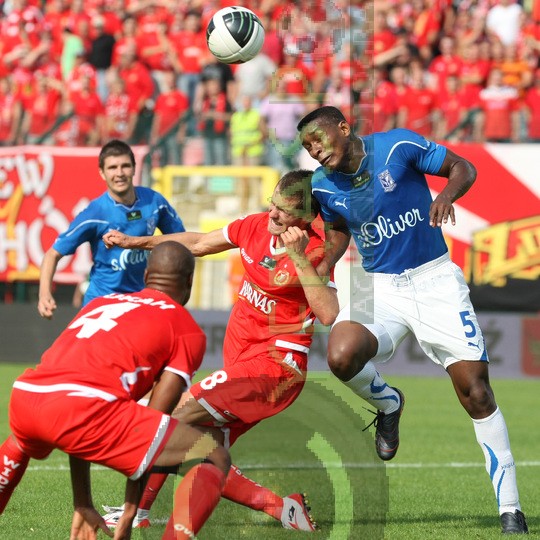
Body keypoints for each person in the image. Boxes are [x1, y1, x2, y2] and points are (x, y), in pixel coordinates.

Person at [296, 105, 528, 535]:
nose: (315, 151)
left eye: (319, 140)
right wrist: (324, 261)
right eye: (308, 147)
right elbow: (338, 229)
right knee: (341, 355)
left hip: (433, 278)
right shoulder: (322, 185)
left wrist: (445, 196)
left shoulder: (397, 145)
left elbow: (464, 167)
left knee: (476, 393)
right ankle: (389, 404)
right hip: (373, 283)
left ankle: (511, 508)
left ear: (344, 127)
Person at [102, 169, 339, 532]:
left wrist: (300, 258)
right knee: (199, 451)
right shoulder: (254, 227)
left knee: (171, 413)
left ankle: (136, 513)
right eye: (273, 203)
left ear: (305, 217)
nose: (273, 213)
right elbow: (198, 243)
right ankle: (283, 509)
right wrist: (137, 242)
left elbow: (328, 313)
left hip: (275, 369)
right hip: (243, 365)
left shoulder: (315, 249)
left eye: (284, 210)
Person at [0, 241, 230, 540]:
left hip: (27, 396)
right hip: (82, 407)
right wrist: (131, 507)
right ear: (189, 281)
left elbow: (77, 407)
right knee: (216, 457)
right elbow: (155, 422)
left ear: (146, 275)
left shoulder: (102, 302)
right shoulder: (186, 329)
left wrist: (83, 502)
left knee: (21, 442)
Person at [38, 139, 185, 319]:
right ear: (102, 173)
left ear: (134, 168)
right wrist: (44, 294)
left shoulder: (155, 202)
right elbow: (52, 254)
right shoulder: (95, 213)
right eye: (112, 168)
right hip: (102, 305)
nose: (119, 173)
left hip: (141, 303)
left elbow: (182, 241)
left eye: (125, 166)